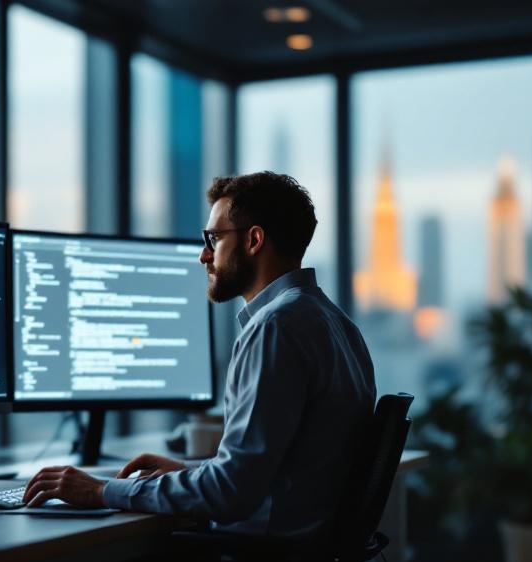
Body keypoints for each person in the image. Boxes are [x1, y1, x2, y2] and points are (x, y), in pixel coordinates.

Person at [23, 172, 376, 542]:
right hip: (303, 549)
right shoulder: (337, 324)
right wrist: (189, 473)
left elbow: (231, 494)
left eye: (214, 239)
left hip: (257, 556)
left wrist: (101, 490)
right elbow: (275, 470)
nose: (204, 255)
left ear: (254, 240)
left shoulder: (274, 328)